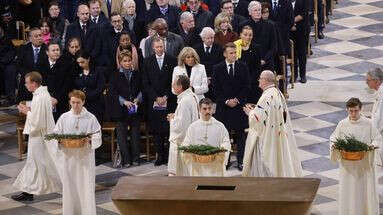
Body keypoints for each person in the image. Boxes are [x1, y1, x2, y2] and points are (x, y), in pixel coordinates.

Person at [242, 70, 302, 177]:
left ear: (265, 80)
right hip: (277, 132)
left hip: (267, 137)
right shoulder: (277, 92)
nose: (259, 80)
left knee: (265, 165)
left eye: (260, 78)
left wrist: (250, 112)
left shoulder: (266, 97)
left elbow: (258, 119)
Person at [12, 72, 61, 201]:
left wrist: (26, 111)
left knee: (43, 163)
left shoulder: (40, 97)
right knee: (34, 164)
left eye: (27, 82)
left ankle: (67, 185)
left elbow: (38, 121)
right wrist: (29, 109)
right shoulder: (42, 94)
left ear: (34, 83)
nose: (25, 85)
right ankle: (28, 192)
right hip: (40, 135)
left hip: (39, 136)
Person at [329, 97, 381, 215]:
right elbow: (333, 138)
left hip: (364, 166)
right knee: (349, 192)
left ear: (360, 109)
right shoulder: (342, 124)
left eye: (356, 111)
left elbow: (378, 139)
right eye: (350, 111)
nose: (353, 113)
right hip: (348, 167)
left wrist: (372, 146)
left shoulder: (369, 123)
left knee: (363, 193)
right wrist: (334, 145)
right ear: (347, 110)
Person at [54, 90, 102, 215]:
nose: (75, 105)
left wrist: (90, 139)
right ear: (70, 102)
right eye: (73, 102)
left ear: (83, 102)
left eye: (78, 103)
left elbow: (97, 135)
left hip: (85, 158)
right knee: (70, 187)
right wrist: (60, 140)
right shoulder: (64, 117)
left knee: (86, 186)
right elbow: (55, 134)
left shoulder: (91, 118)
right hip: (69, 158)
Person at [212, 42, 250, 171]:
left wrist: (237, 100)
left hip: (239, 107)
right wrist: (227, 100)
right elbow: (215, 89)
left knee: (240, 136)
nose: (234, 55)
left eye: (235, 53)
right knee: (224, 135)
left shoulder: (243, 67)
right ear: (225, 54)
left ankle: (241, 161)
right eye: (231, 53)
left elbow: (246, 86)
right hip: (224, 107)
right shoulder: (217, 68)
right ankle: (226, 160)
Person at [142, 37, 177, 166]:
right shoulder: (147, 62)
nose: (159, 49)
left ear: (164, 46)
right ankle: (159, 156)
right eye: (157, 47)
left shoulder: (172, 60)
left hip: (169, 101)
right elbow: (145, 83)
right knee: (157, 131)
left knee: (169, 129)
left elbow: (174, 81)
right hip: (154, 102)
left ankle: (169, 156)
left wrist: (166, 96)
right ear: (153, 48)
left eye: (161, 46)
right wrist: (156, 97)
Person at [178, 98, 231, 176]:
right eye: (204, 109)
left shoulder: (220, 126)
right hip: (198, 164)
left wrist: (221, 152)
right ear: (199, 109)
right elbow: (187, 142)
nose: (207, 111)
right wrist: (187, 150)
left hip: (215, 164)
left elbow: (226, 142)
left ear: (212, 109)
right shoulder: (193, 127)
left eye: (209, 108)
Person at [110, 50, 143, 167]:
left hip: (134, 109)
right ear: (120, 62)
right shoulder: (114, 75)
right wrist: (124, 102)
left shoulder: (137, 74)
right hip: (120, 110)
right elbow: (113, 93)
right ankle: (126, 160)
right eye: (125, 61)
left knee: (135, 135)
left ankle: (136, 159)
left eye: (129, 61)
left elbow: (142, 90)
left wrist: (137, 99)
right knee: (121, 136)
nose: (128, 63)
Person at [167, 75, 199, 176]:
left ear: (180, 86)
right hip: (193, 136)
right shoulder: (193, 96)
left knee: (182, 173)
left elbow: (181, 126)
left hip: (184, 141)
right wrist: (176, 115)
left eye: (174, 84)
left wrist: (172, 120)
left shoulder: (185, 101)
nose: (172, 85)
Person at [74, 50, 105, 124]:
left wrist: (86, 96)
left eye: (82, 62)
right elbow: (76, 87)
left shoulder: (98, 71)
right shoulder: (77, 72)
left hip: (96, 105)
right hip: (82, 105)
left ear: (88, 59)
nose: (80, 65)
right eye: (78, 62)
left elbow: (100, 88)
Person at [16, 28, 47, 103]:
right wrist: (29, 76)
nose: (39, 38)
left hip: (42, 80)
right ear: (30, 38)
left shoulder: (47, 48)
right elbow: (19, 65)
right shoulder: (23, 48)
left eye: (40, 35)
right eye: (36, 36)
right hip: (27, 78)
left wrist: (37, 77)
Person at [193, 27, 224, 100]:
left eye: (212, 38)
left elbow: (221, 65)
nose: (210, 40)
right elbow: (195, 66)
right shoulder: (196, 49)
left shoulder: (219, 48)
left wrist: (211, 79)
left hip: (215, 81)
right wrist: (204, 79)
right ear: (202, 38)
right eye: (208, 38)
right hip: (200, 82)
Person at [234, 25, 262, 104]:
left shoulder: (256, 48)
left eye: (250, 35)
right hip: (238, 81)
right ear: (240, 35)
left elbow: (257, 68)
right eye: (245, 34)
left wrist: (249, 80)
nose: (248, 37)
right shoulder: (234, 47)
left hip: (252, 81)